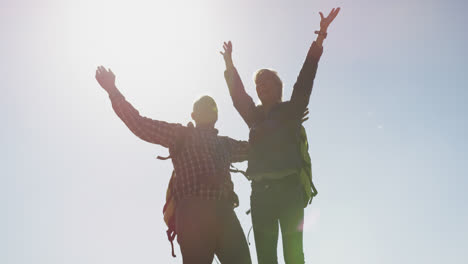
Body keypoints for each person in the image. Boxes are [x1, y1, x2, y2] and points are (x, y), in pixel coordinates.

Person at [95, 66, 252, 264]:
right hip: (193, 212)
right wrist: (113, 91)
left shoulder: (226, 144)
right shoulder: (180, 135)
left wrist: (286, 124)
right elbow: (140, 124)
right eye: (202, 106)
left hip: (225, 212)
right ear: (193, 115)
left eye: (212, 106)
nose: (208, 108)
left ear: (216, 115)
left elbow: (258, 148)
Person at [220, 7, 341, 264]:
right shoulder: (254, 116)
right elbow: (238, 97)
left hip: (289, 191)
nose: (261, 86)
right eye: (258, 84)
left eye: (266, 82)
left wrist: (320, 38)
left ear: (278, 87)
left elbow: (306, 77)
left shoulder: (292, 110)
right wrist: (229, 66)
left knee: (294, 255)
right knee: (265, 258)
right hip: (261, 193)